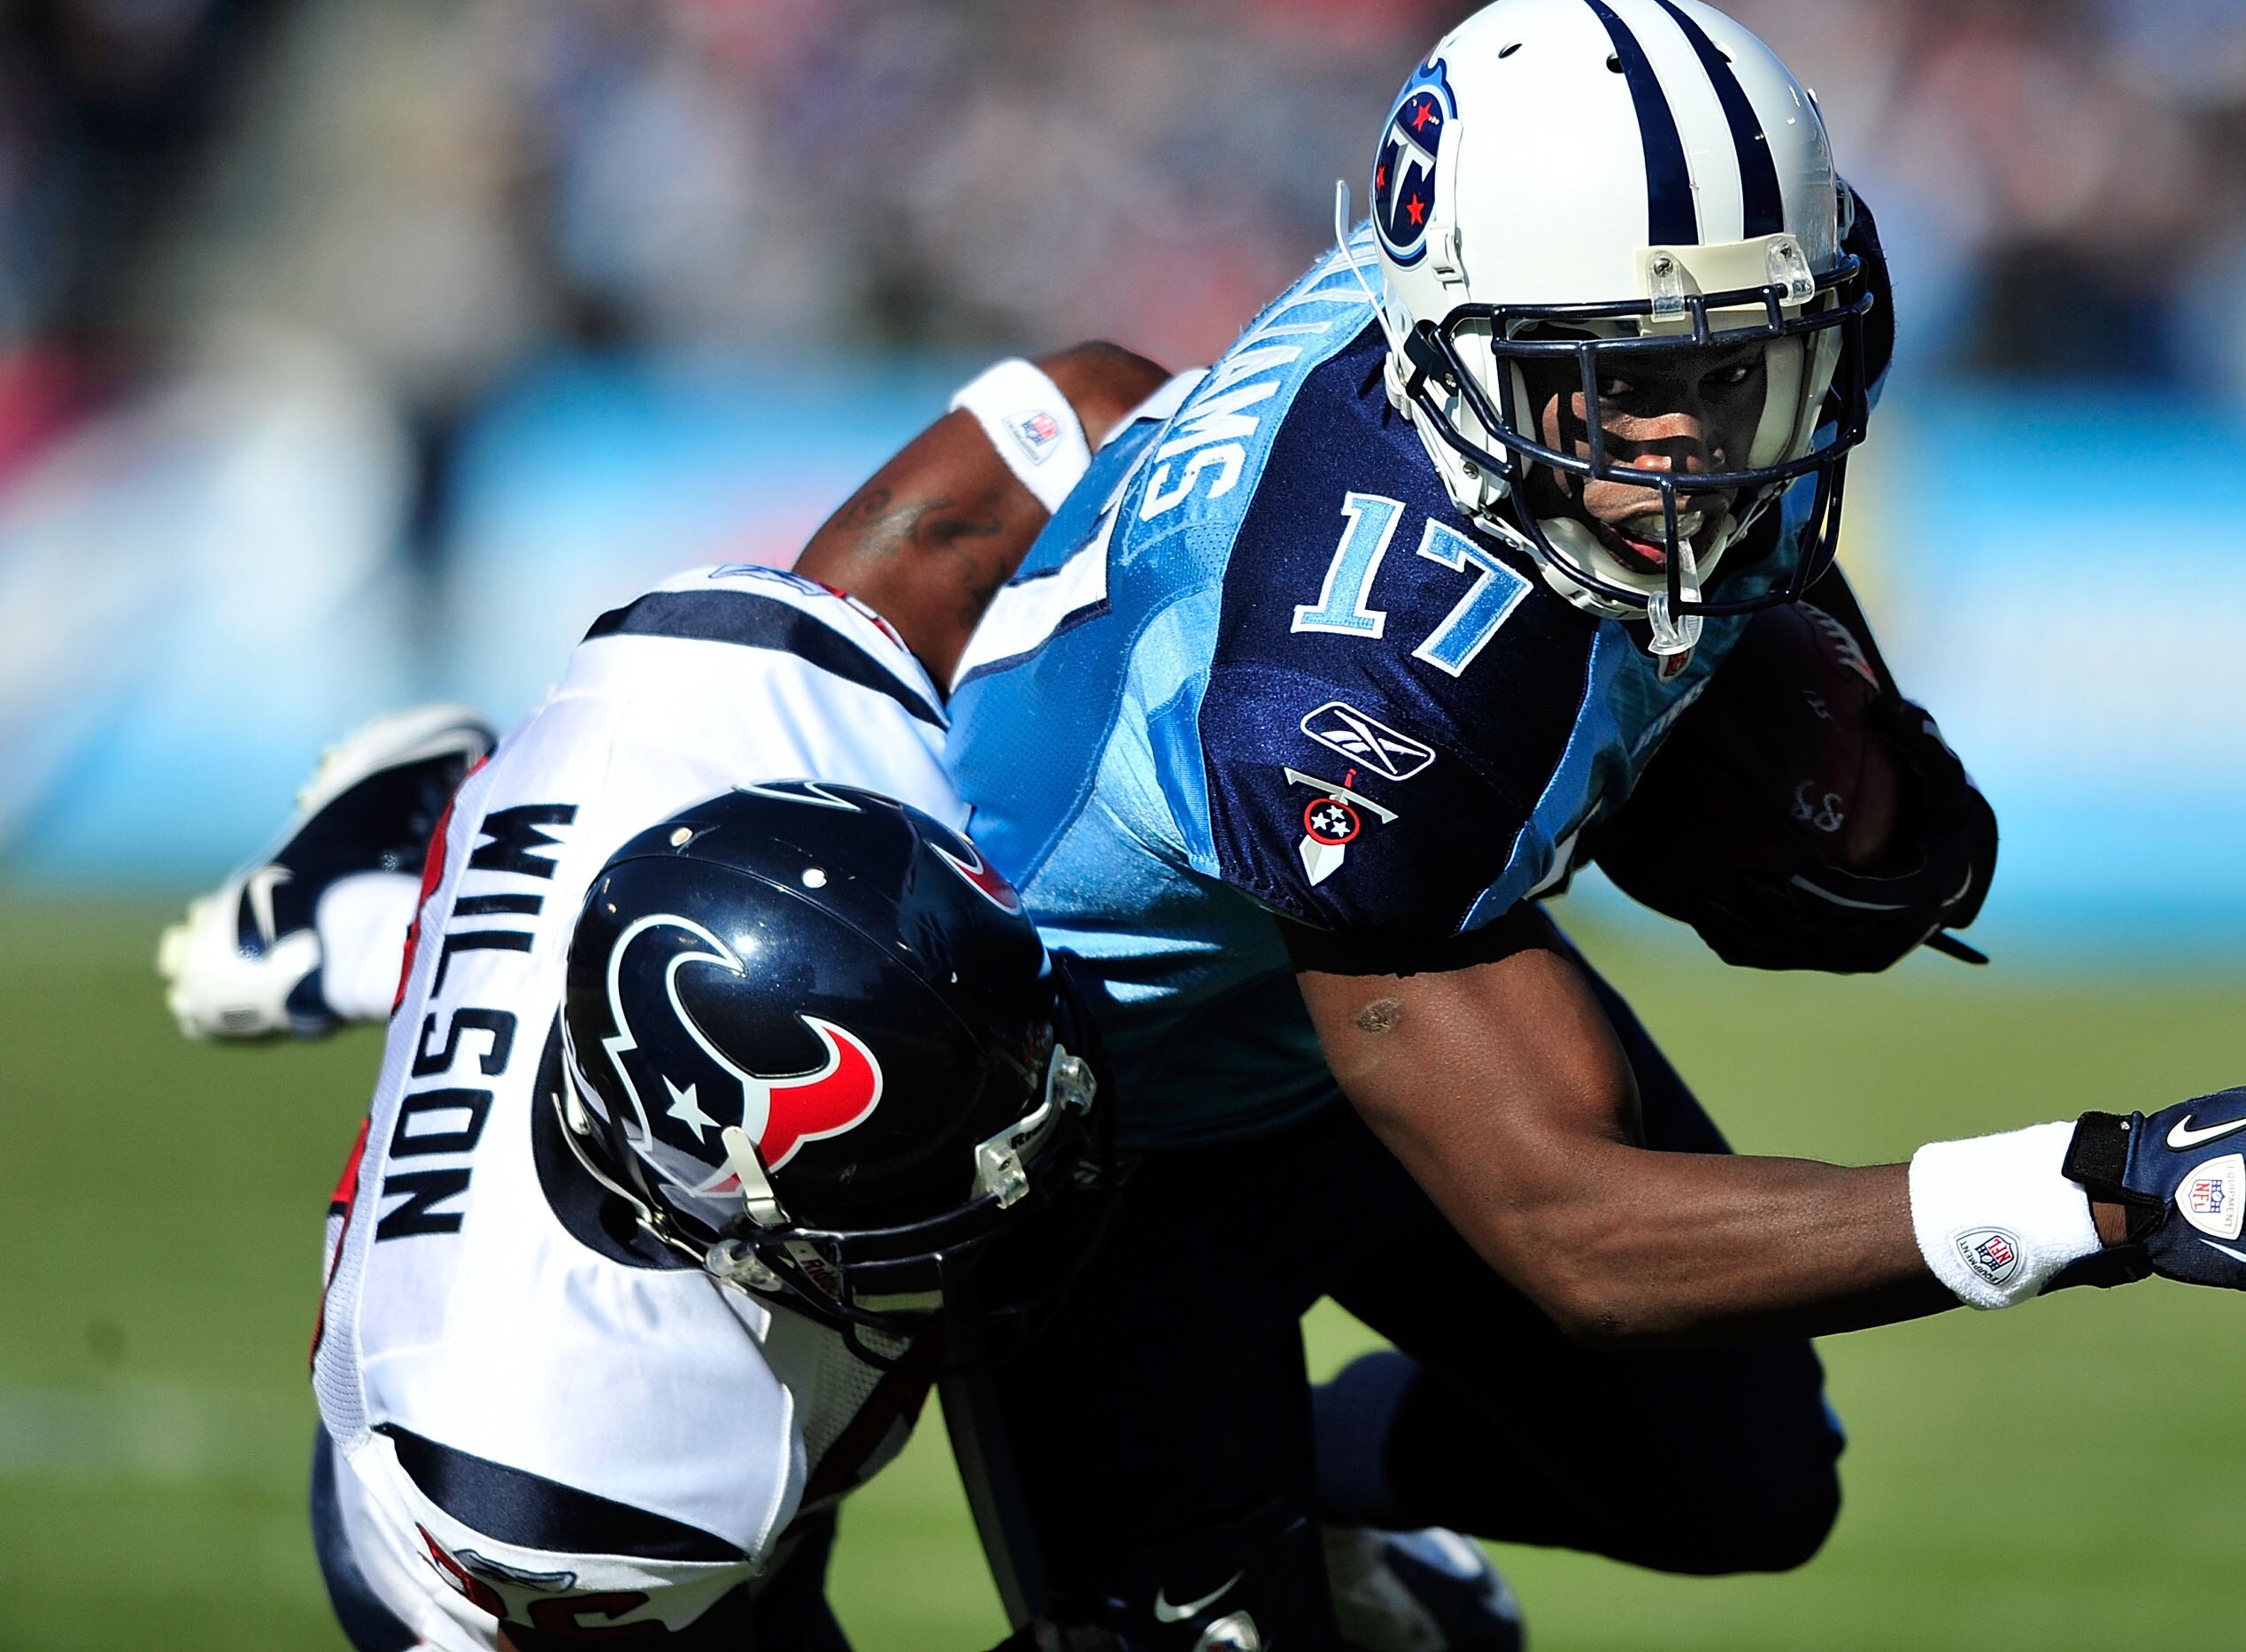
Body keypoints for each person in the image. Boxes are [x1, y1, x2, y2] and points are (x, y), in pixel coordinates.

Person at [925, 0, 2246, 1649]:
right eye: (1622, 387)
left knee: (1740, 1478)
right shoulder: (1350, 690)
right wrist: (2103, 1189)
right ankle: (1227, 1521)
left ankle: (1313, 1478)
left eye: (1739, 367)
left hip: (1348, 976)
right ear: (1457, 365)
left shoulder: (1485, 343)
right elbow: (1575, 1231)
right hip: (1098, 1120)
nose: (1695, 447)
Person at [162, 351, 1524, 1651]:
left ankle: (361, 897)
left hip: (581, 864)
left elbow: (1082, 399)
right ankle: (363, 902)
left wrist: (1243, 489)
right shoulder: (556, 1467)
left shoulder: (740, 686)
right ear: (731, 1232)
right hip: (493, 1528)